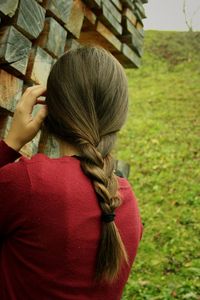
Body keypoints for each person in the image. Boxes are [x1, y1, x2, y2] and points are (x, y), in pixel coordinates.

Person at [0, 45, 143, 300]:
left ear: (49, 108)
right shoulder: (127, 201)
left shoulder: (29, 182)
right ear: (118, 116)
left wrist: (10, 144)